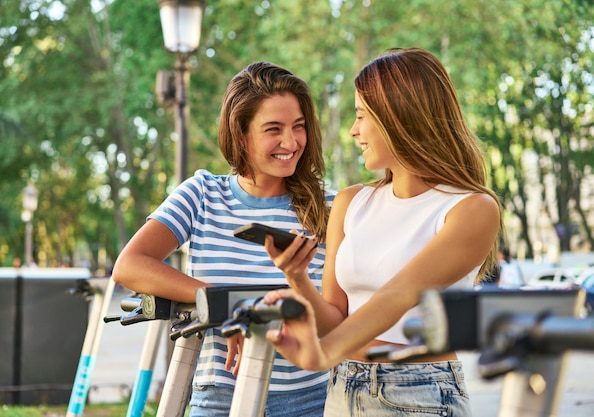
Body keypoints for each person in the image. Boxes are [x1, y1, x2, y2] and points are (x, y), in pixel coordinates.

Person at [261, 47, 502, 417]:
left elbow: (399, 293)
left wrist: (323, 352)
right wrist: (296, 279)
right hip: (343, 386)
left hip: (419, 391)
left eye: (361, 116)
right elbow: (336, 319)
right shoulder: (350, 202)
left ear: (398, 116)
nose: (354, 130)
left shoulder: (470, 208)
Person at [112, 61, 336, 417]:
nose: (291, 142)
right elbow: (129, 266)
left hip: (309, 398)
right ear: (241, 134)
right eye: (273, 129)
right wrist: (226, 306)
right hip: (221, 395)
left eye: (298, 127)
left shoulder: (330, 207)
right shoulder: (203, 194)